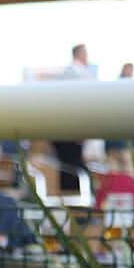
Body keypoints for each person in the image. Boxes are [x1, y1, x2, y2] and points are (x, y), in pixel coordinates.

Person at [53, 44, 94, 192]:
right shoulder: (80, 74)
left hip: (61, 131)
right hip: (71, 131)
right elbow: (83, 104)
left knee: (67, 170)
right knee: (74, 171)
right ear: (81, 54)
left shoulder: (66, 73)